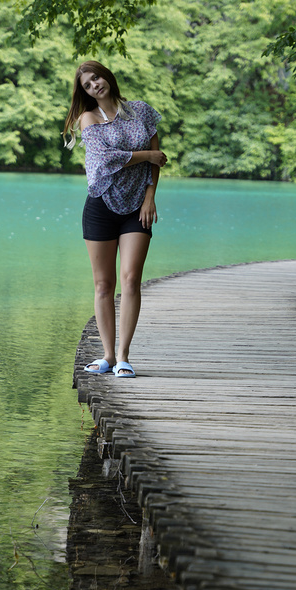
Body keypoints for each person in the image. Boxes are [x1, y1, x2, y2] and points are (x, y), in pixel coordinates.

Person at [64, 61, 167, 379]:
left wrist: (150, 195)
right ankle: (107, 355)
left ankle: (124, 356)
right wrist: (147, 156)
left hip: (139, 206)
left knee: (131, 279)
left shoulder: (141, 111)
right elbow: (106, 158)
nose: (94, 85)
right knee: (103, 284)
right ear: (84, 92)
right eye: (87, 85)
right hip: (101, 206)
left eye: (96, 78)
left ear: (107, 77)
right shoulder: (88, 118)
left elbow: (157, 153)